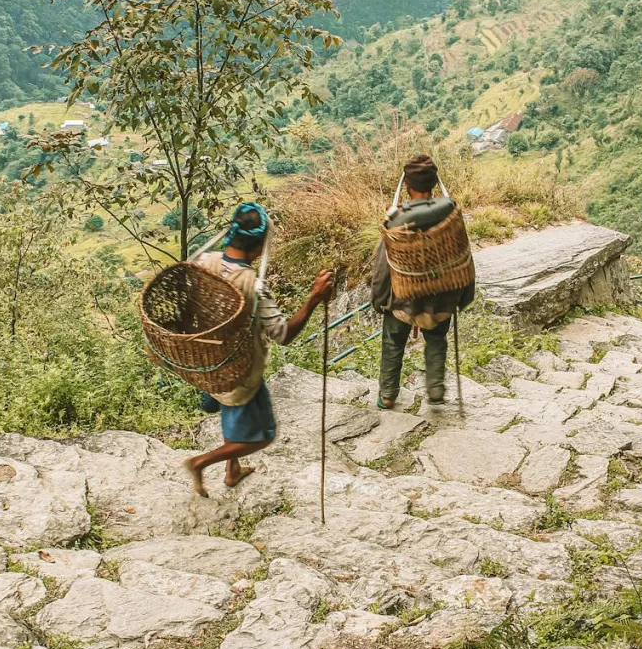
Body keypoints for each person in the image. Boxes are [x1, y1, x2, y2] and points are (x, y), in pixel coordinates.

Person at [184, 201, 334, 496]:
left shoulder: (202, 262)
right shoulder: (254, 287)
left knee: (233, 413)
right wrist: (313, 298)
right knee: (261, 437)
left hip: (210, 363)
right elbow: (282, 334)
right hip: (240, 371)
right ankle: (201, 462)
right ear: (259, 248)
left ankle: (233, 470)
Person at [369, 154, 475, 410]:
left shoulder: (396, 220)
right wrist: (464, 295)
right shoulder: (450, 212)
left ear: (407, 185)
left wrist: (379, 300)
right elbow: (464, 256)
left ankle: (387, 395)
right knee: (437, 339)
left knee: (393, 341)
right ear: (434, 184)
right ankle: (436, 390)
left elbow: (385, 268)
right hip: (443, 296)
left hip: (405, 300)